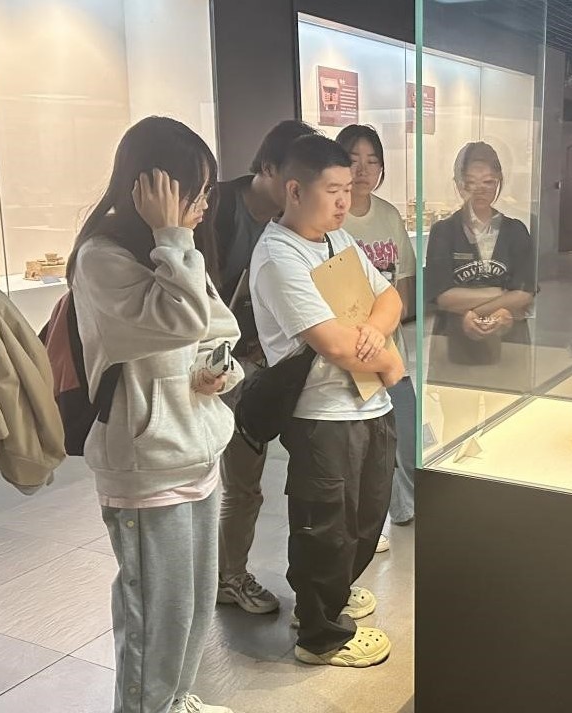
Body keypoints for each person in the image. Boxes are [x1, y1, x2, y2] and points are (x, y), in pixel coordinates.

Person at [69, 117, 243, 713]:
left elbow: (218, 330)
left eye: (207, 192)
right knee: (155, 617)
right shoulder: (101, 258)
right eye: (195, 191)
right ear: (152, 187)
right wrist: (172, 235)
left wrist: (218, 373)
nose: (203, 205)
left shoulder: (178, 253)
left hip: (196, 445)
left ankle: (176, 700)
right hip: (146, 466)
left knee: (192, 604)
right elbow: (181, 320)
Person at [250, 134, 404, 668]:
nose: (345, 200)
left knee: (366, 514)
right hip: (321, 413)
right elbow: (333, 344)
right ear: (295, 190)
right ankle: (319, 634)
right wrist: (389, 361)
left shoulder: (337, 239)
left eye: (348, 189)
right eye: (333, 190)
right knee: (325, 525)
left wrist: (376, 336)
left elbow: (389, 296)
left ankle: (332, 593)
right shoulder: (278, 255)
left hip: (368, 400)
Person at [212, 119, 319, 615]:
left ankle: (234, 574)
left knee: (287, 473)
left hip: (273, 365)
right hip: (220, 367)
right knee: (241, 482)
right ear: (270, 168)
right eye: (296, 179)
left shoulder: (292, 219)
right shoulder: (217, 208)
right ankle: (228, 577)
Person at [336, 124, 417, 536]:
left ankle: (407, 508)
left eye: (372, 161)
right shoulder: (332, 220)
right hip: (349, 354)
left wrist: (385, 321)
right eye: (353, 160)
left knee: (407, 432)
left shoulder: (388, 215)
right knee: (363, 447)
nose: (363, 170)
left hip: (391, 348)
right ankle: (367, 525)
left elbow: (403, 284)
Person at [424, 141, 536, 388]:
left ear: (499, 182)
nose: (479, 190)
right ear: (458, 184)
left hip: (508, 343)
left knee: (511, 408)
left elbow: (525, 293)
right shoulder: (444, 231)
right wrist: (500, 294)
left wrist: (475, 310)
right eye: (470, 182)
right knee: (458, 407)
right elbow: (443, 296)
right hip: (455, 344)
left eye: (488, 182)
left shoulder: (516, 231)